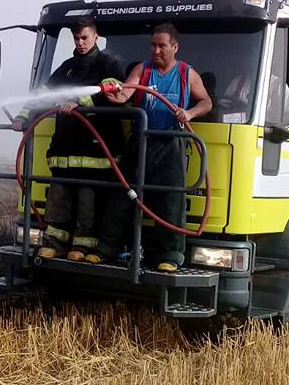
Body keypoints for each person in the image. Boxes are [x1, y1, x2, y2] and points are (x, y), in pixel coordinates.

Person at [86, 23, 212, 273]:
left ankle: (170, 255)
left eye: (161, 45)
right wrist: (116, 96)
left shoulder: (187, 73)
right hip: (140, 142)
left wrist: (189, 113)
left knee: (170, 199)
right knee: (122, 195)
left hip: (170, 143)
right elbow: (127, 93)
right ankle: (107, 248)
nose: (155, 50)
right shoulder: (143, 70)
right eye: (152, 45)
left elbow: (206, 101)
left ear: (174, 47)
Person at [12, 18, 125, 260]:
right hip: (64, 148)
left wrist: (80, 103)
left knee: (88, 200)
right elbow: (44, 92)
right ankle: (55, 243)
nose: (80, 43)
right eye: (76, 38)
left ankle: (83, 247)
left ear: (96, 37)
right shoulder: (67, 67)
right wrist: (23, 115)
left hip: (94, 151)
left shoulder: (109, 64)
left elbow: (114, 91)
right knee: (58, 197)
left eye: (85, 38)